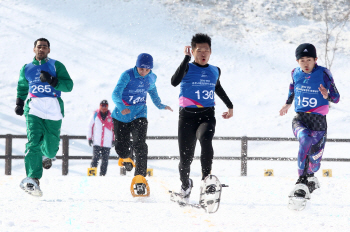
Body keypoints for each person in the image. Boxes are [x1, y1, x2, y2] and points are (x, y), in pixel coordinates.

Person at [171, 33, 233, 202]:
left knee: (206, 140)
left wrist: (230, 105)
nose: (203, 53)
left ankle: (207, 181)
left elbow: (217, 87)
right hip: (186, 117)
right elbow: (174, 82)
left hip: (207, 115)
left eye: (206, 50)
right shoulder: (187, 68)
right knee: (186, 159)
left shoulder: (215, 70)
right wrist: (185, 59)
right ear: (193, 51)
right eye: (199, 50)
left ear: (211, 52)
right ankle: (185, 185)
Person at [279, 43, 340, 198]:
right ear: (297, 61)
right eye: (302, 60)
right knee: (305, 139)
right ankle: (301, 180)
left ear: (315, 59)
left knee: (314, 162)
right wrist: (287, 103)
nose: (305, 63)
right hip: (301, 118)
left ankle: (310, 176)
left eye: (309, 60)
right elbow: (292, 88)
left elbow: (336, 97)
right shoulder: (295, 73)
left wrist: (327, 95)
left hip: (319, 122)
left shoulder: (324, 73)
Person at [15, 38, 74, 197]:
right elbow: (22, 86)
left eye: (44, 47)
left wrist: (52, 80)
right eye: (39, 46)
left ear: (49, 50)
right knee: (33, 141)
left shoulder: (56, 65)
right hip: (34, 107)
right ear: (34, 49)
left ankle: (46, 155)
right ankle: (33, 179)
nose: (41, 49)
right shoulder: (26, 68)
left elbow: (68, 86)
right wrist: (20, 103)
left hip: (53, 107)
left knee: (51, 147)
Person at [112, 53, 173, 196]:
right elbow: (115, 94)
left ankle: (140, 177)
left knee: (140, 144)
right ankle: (126, 157)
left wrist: (160, 105)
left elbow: (152, 91)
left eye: (147, 70)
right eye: (141, 69)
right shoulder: (127, 75)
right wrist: (122, 107)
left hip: (140, 114)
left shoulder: (151, 77)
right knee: (121, 148)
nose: (144, 72)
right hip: (121, 116)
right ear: (136, 66)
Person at [87, 100, 115, 176]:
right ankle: (92, 174)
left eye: (105, 105)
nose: (104, 107)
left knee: (105, 160)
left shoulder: (111, 116)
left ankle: (102, 175)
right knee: (95, 159)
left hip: (107, 142)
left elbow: (114, 129)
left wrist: (114, 140)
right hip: (97, 141)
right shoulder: (95, 114)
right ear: (99, 106)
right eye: (102, 105)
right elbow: (90, 126)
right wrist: (89, 138)